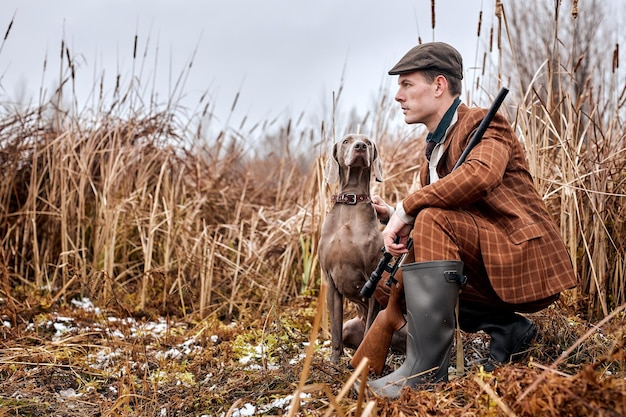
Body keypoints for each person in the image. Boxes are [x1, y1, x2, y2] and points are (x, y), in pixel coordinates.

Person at [362, 42, 577, 398]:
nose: (397, 96)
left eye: (406, 84)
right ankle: (508, 331)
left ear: (439, 85)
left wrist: (409, 207)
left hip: (519, 255)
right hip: (485, 259)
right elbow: (450, 207)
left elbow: (480, 176)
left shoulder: (483, 121)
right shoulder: (433, 148)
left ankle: (426, 371)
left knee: (431, 218)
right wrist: (395, 215)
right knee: (397, 277)